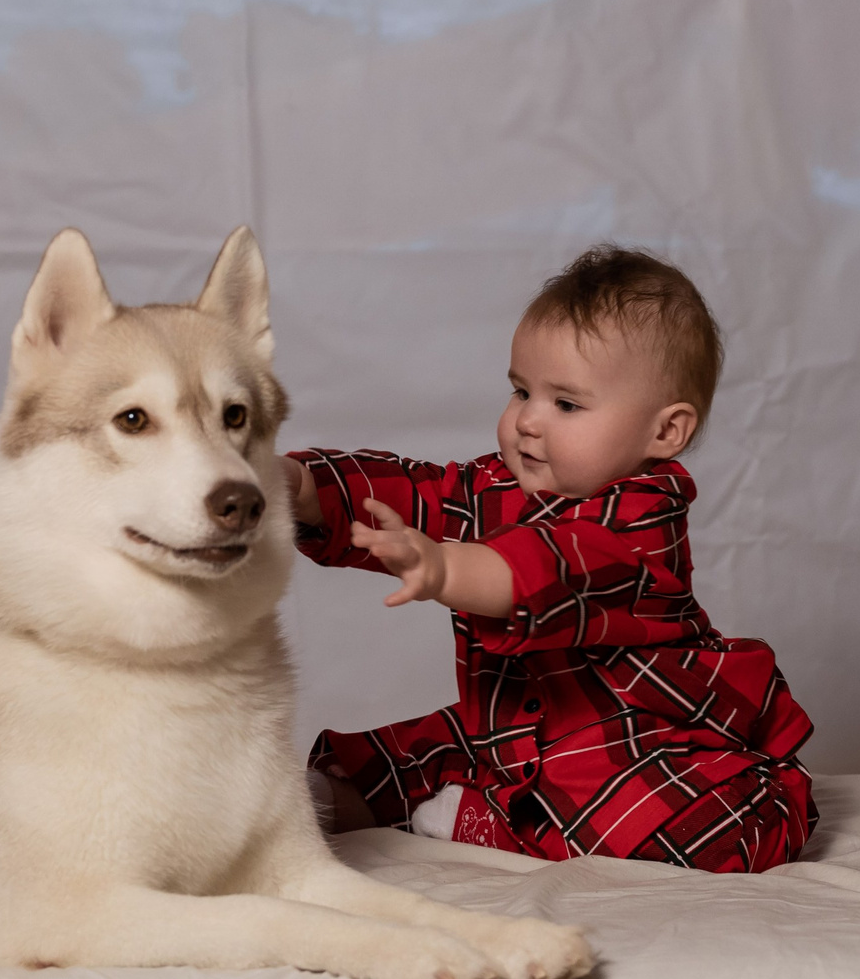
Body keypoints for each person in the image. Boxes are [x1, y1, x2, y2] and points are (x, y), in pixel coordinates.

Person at [285, 245, 815, 872]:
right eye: (520, 391)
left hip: (629, 738)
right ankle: (322, 806)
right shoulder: (498, 486)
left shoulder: (644, 519)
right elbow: (418, 490)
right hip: (511, 724)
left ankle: (498, 825)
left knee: (701, 826)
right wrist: (304, 487)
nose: (527, 422)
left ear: (664, 432)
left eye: (566, 404)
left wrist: (448, 569)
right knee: (429, 746)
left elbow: (554, 564)